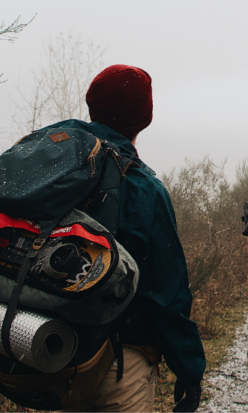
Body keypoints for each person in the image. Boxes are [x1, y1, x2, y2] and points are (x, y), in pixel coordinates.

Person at [68, 64, 206, 412]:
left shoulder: (60, 176)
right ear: (145, 117)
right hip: (121, 362)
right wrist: (189, 370)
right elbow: (167, 294)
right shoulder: (144, 188)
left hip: (59, 354)